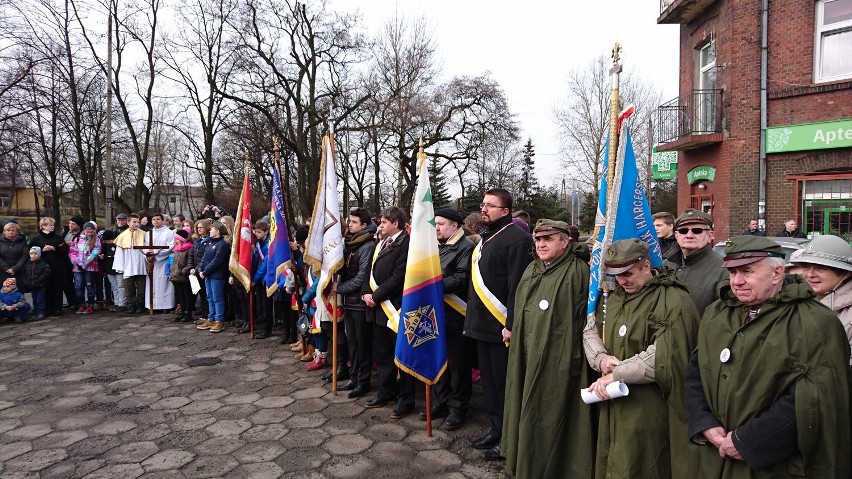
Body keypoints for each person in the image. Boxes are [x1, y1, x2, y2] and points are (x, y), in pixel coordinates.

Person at [685, 236, 851, 478]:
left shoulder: (815, 322)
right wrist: (704, 423)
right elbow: (696, 370)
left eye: (747, 271)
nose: (737, 281)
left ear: (777, 274)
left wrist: (748, 441)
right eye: (732, 272)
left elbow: (815, 400)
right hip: (715, 458)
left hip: (773, 465)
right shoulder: (717, 313)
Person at [584, 238, 700, 478]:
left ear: (646, 266)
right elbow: (591, 328)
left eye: (628, 273)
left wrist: (618, 372)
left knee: (643, 462)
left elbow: (665, 354)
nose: (622, 280)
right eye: (616, 274)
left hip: (650, 404)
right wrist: (601, 359)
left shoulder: (673, 299)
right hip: (613, 399)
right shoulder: (615, 296)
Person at [502, 220, 596, 478]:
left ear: (565, 241)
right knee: (523, 401)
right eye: (538, 239)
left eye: (549, 239)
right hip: (525, 353)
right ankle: (523, 459)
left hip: (558, 358)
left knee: (550, 413)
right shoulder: (532, 268)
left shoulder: (578, 272)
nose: (541, 244)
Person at [464, 188, 534, 460]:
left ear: (505, 211)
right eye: (483, 205)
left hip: (502, 326)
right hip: (482, 324)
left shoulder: (518, 240)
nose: (484, 209)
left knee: (505, 385)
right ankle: (496, 428)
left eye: (490, 206)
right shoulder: (486, 238)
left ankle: (509, 438)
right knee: (490, 384)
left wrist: (512, 323)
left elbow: (518, 286)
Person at [420, 208, 475, 430]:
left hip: (456, 314)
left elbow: (462, 278)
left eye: (440, 224)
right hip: (436, 313)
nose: (436, 228)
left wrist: (433, 285)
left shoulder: (466, 248)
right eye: (435, 224)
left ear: (455, 226)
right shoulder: (436, 247)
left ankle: (458, 408)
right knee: (439, 360)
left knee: (458, 365)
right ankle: (441, 401)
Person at [361, 206, 413, 419]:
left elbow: (400, 276)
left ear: (396, 224)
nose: (380, 225)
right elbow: (369, 271)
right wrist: (365, 291)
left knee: (401, 355)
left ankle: (406, 399)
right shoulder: (380, 243)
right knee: (382, 354)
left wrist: (377, 295)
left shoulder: (407, 244)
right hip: (377, 309)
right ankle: (386, 391)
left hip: (396, 307)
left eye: (383, 222)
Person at [787, 234, 852, 360]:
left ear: (845, 273)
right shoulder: (796, 299)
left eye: (820, 268)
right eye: (806, 267)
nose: (810, 274)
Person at [335, 208, 377, 394]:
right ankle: (354, 378)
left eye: (353, 222)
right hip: (349, 302)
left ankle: (363, 381)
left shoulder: (367, 246)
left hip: (359, 302)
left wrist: (339, 289)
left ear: (364, 225)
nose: (349, 225)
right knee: (352, 343)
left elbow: (362, 278)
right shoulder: (350, 243)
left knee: (362, 344)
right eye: (349, 221)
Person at [664, 208, 728, 316]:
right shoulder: (666, 265)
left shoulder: (724, 270)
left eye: (697, 230)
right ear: (676, 235)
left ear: (710, 236)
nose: (689, 235)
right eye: (683, 230)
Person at [28, 217, 68, 317]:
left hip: (57, 266)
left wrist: (54, 248)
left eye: (53, 225)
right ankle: (46, 308)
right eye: (50, 225)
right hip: (42, 267)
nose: (52, 227)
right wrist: (41, 250)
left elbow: (65, 251)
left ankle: (57, 308)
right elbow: (30, 251)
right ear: (43, 226)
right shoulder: (36, 238)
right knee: (45, 288)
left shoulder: (58, 238)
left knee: (57, 288)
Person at [195, 221, 229, 333]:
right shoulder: (210, 243)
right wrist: (201, 269)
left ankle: (219, 320)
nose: (210, 231)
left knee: (217, 298)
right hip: (208, 275)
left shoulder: (222, 245)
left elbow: (217, 261)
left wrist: (205, 271)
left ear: (218, 231)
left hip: (217, 275)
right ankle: (211, 318)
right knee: (210, 297)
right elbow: (204, 258)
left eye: (212, 229)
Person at [114, 214, 148, 314]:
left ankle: (140, 305)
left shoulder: (144, 234)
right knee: (129, 287)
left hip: (140, 264)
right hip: (128, 264)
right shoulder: (122, 236)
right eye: (134, 222)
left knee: (141, 287)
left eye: (138, 222)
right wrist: (120, 266)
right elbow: (119, 253)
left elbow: (147, 248)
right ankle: (131, 305)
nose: (136, 224)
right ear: (128, 222)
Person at [143, 214, 175, 313]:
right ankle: (152, 305)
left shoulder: (168, 232)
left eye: (158, 219)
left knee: (164, 283)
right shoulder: (149, 233)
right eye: (154, 219)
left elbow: (170, 246)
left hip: (164, 261)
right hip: (152, 262)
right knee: (152, 284)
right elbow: (144, 246)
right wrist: (148, 254)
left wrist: (156, 252)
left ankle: (166, 305)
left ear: (162, 220)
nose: (156, 221)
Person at [69, 222, 101, 314]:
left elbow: (95, 253)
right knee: (78, 286)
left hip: (90, 267)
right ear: (84, 231)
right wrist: (77, 264)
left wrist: (84, 264)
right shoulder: (77, 239)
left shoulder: (96, 240)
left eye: (91, 232)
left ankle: (90, 304)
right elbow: (72, 252)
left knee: (90, 285)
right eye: (88, 232)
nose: (89, 234)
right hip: (77, 268)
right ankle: (81, 304)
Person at [249, 222, 273, 338]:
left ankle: (267, 328)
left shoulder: (269, 244)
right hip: (258, 277)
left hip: (266, 277)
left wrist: (255, 277)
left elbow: (265, 264)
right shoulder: (258, 244)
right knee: (259, 304)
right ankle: (261, 326)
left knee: (266, 304)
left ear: (266, 232)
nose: (256, 234)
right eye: (255, 232)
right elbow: (255, 259)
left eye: (259, 232)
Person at [188, 219, 212, 324]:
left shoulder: (209, 241)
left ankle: (207, 315)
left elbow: (205, 258)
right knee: (201, 294)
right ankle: (203, 313)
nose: (199, 229)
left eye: (201, 227)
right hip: (195, 271)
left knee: (207, 294)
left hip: (203, 271)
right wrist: (191, 267)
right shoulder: (197, 241)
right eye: (198, 228)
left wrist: (197, 268)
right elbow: (192, 255)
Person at [19, 246, 51, 320]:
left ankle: (40, 313)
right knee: (34, 299)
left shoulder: (43, 263)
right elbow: (23, 274)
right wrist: (26, 282)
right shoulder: (27, 264)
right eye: (31, 254)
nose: (33, 255)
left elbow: (47, 272)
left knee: (40, 300)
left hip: (40, 285)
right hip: (32, 286)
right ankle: (35, 312)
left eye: (35, 254)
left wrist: (40, 280)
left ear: (39, 255)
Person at [169, 229, 194, 323]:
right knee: (180, 296)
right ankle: (182, 312)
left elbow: (190, 262)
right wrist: (172, 270)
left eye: (178, 239)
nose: (176, 241)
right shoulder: (177, 249)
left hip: (184, 276)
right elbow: (175, 262)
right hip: (176, 276)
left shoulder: (189, 248)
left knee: (187, 295)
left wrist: (184, 271)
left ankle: (188, 313)